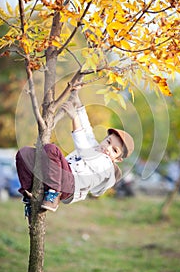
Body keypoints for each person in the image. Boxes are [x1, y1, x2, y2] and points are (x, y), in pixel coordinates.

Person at [16, 89, 134, 223]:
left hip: (71, 185)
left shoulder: (106, 165)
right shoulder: (95, 147)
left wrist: (74, 118)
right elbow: (87, 130)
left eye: (114, 150)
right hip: (60, 176)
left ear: (117, 159)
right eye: (108, 142)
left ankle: (54, 194)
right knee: (24, 154)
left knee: (51, 150)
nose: (107, 148)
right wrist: (79, 105)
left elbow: (84, 150)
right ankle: (30, 195)